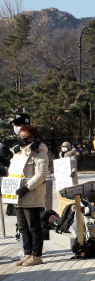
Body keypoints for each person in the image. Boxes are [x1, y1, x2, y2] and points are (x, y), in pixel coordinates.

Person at [10, 125, 49, 266]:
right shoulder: (17, 152)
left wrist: (26, 188)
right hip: (17, 197)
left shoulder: (40, 153)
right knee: (22, 227)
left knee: (34, 227)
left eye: (24, 137)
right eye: (20, 137)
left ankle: (36, 255)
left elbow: (41, 175)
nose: (21, 140)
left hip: (32, 195)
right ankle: (27, 253)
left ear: (32, 138)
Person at [0, 113, 31, 262]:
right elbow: (9, 162)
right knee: (20, 221)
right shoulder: (15, 142)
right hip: (14, 184)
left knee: (28, 221)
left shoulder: (32, 143)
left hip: (26, 186)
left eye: (17, 125)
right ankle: (24, 248)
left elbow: (14, 160)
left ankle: (29, 250)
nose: (15, 127)